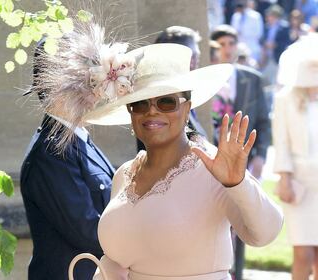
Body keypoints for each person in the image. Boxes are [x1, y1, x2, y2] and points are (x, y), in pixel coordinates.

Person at [38, 18, 282, 277]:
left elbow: (265, 234)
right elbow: (118, 262)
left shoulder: (213, 168)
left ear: (187, 108)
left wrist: (238, 183)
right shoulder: (124, 175)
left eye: (166, 102)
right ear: (131, 113)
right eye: (140, 104)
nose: (151, 112)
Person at [20, 40, 115, 280]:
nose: (97, 88)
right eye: (86, 79)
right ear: (56, 83)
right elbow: (88, 232)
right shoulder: (52, 152)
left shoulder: (78, 139)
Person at [210, 24, 272, 280]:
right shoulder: (205, 77)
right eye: (222, 44)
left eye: (231, 44)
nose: (227, 49)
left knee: (244, 217)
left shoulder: (252, 78)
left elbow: (263, 121)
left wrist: (259, 156)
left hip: (242, 159)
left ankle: (238, 272)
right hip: (210, 159)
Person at [273, 34, 318, 280]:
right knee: (303, 254)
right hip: (301, 185)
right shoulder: (285, 99)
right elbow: (281, 142)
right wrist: (284, 178)